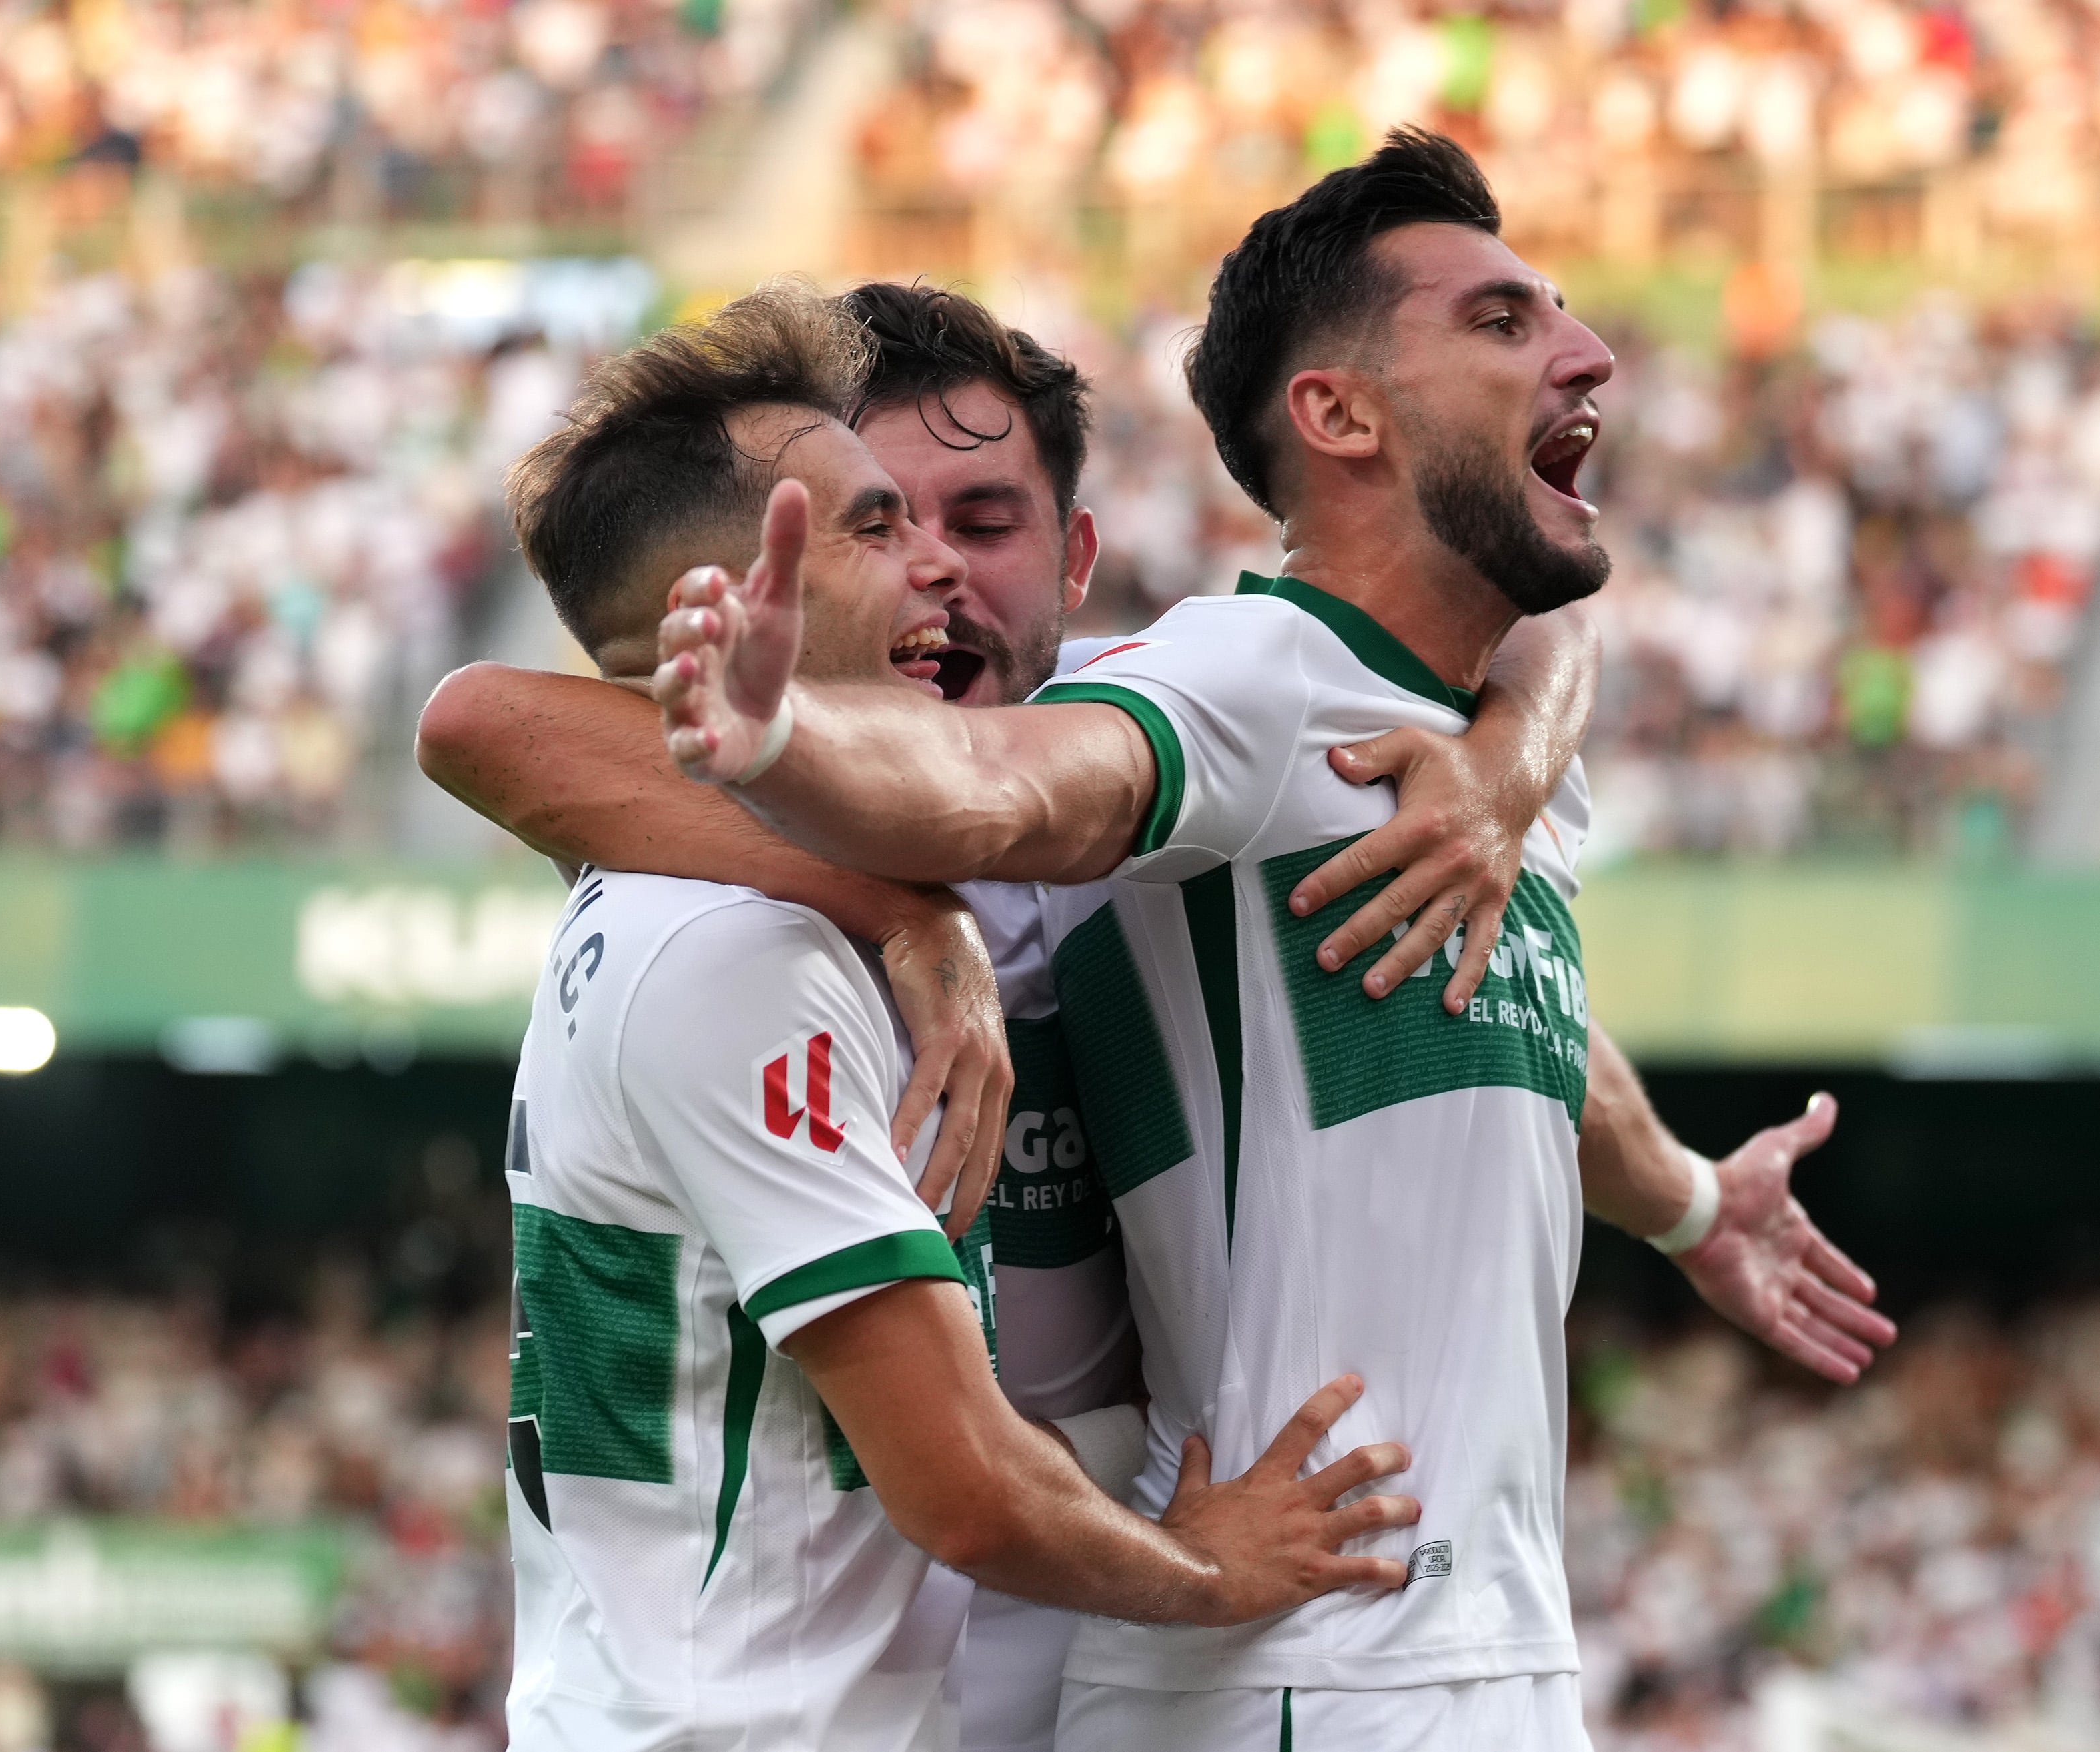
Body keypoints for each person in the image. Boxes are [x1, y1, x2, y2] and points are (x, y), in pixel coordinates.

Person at [656, 133, 1897, 1749]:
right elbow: (1001, 785)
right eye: (1504, 323)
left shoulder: (1469, 746)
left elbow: (1508, 1014)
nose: (1585, 353)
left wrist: (1684, 1200)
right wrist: (780, 743)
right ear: (1337, 412)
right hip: (1291, 1663)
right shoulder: (1241, 677)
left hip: (1480, 1647)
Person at [419, 280, 1600, 1752]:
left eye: (977, 524)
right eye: (876, 524)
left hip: (948, 1627)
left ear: (1076, 560)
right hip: (867, 1655)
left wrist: (1507, 761)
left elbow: (1498, 614)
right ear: (733, 598)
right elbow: (474, 717)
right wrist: (911, 914)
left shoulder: (1136, 753)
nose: (936, 570)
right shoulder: (748, 930)